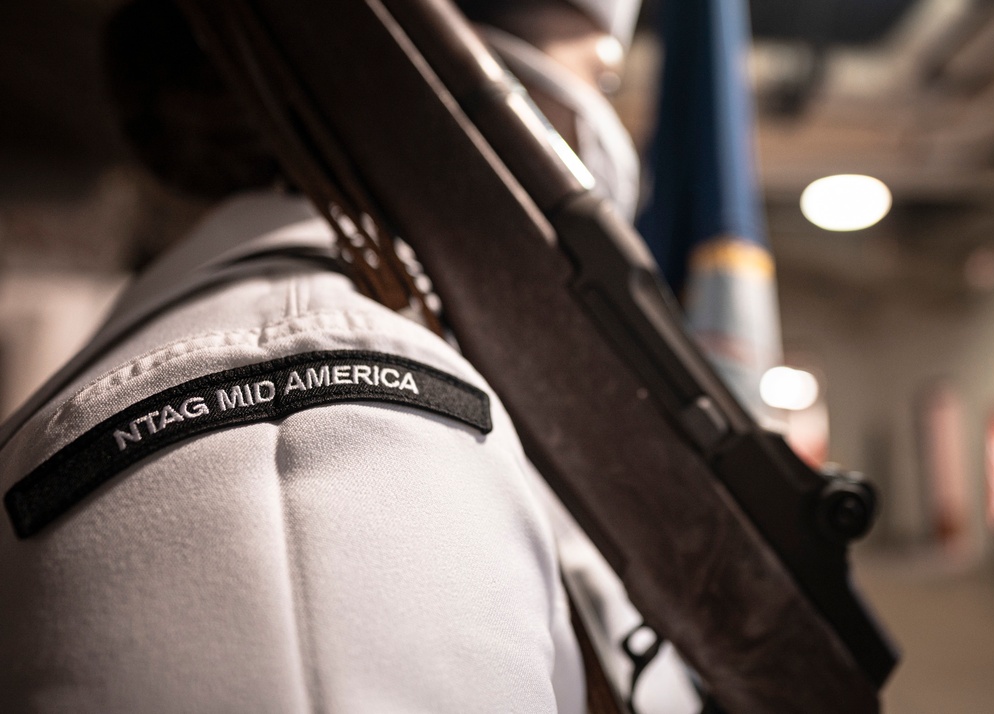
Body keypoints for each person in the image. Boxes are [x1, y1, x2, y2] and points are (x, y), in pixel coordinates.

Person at [0, 0, 674, 712]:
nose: (609, 137)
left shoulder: (415, 359)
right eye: (599, 79)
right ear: (434, 75)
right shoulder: (312, 422)